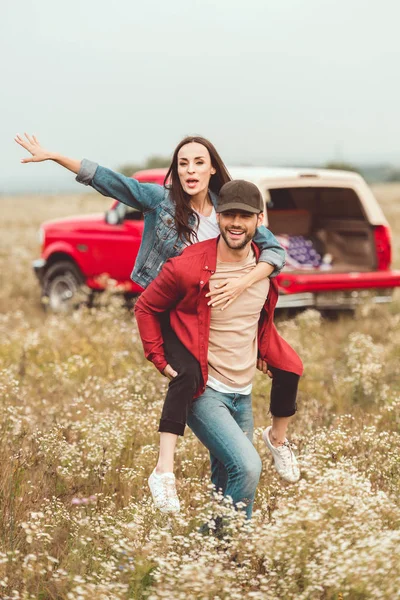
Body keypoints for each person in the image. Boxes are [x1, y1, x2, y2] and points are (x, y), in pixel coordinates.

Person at [15, 133, 287, 512]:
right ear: (175, 172)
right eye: (183, 163)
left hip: (210, 321)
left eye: (198, 162)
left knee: (229, 462)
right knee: (189, 374)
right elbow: (112, 181)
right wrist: (57, 157)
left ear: (212, 168)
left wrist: (247, 280)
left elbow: (274, 248)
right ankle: (164, 471)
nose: (190, 170)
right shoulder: (162, 202)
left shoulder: (229, 209)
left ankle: (217, 537)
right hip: (171, 313)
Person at [135, 180, 303, 519]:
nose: (235, 223)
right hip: (204, 390)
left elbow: (256, 318)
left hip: (242, 391)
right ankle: (220, 544)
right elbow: (145, 306)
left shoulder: (264, 269)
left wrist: (261, 352)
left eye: (244, 216)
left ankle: (218, 559)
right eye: (228, 215)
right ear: (219, 217)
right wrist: (158, 356)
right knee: (248, 467)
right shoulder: (188, 265)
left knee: (226, 479)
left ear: (259, 219)